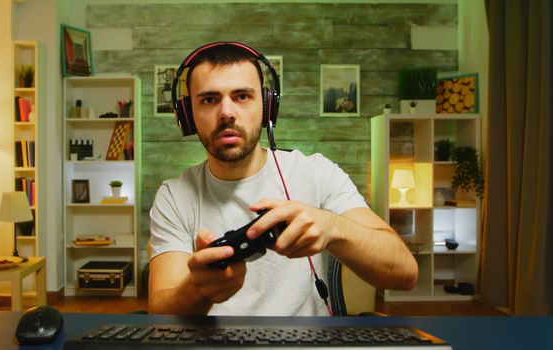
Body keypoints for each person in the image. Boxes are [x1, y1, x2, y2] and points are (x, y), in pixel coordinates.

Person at [148, 42, 418, 316]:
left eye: (242, 96)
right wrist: (198, 289)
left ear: (267, 107)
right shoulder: (174, 195)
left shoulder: (316, 173)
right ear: (188, 115)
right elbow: (160, 312)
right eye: (209, 99)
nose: (227, 112)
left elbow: (404, 273)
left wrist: (333, 227)